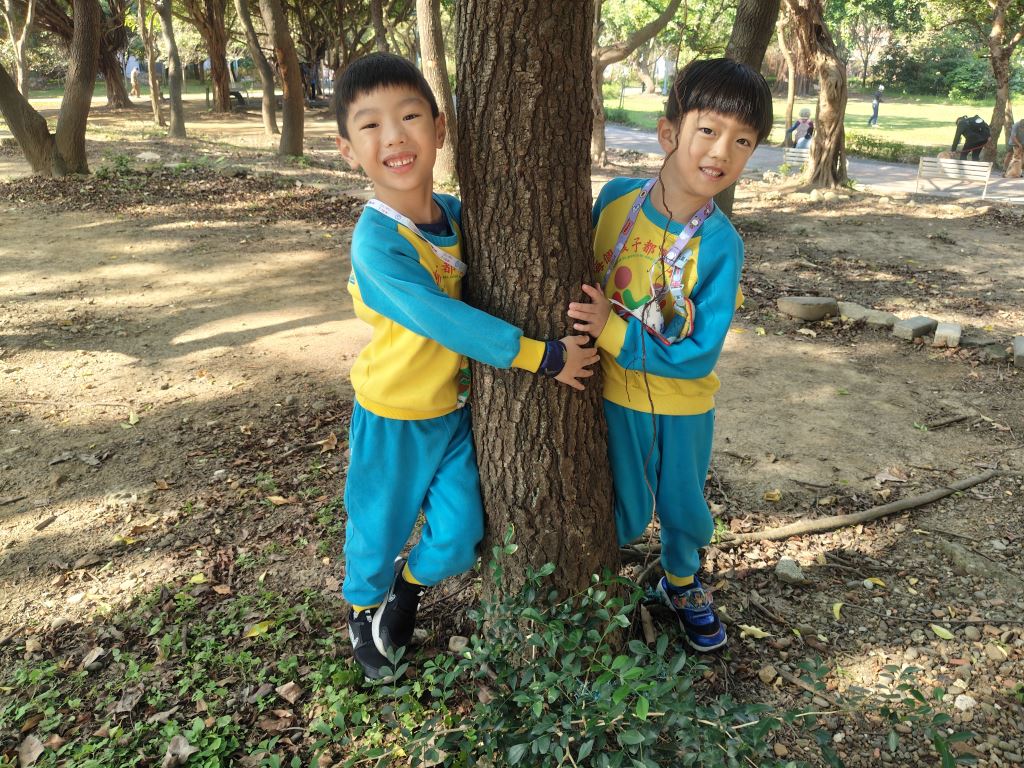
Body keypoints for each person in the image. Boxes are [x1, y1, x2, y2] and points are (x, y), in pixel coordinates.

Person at [334, 52, 598, 680]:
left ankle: (407, 589)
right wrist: (543, 355)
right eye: (370, 125)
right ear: (348, 150)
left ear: (440, 126)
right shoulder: (377, 242)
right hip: (393, 416)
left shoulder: (456, 215)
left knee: (459, 536)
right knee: (376, 529)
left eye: (410, 116)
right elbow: (444, 319)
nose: (394, 137)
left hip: (455, 415)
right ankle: (362, 608)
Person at [567, 58, 773, 653]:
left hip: (683, 407)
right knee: (626, 512)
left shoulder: (722, 244)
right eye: (708, 130)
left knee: (684, 507)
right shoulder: (615, 200)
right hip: (613, 397)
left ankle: (681, 582)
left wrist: (611, 332)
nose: (722, 152)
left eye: (743, 141)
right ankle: (594, 582)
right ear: (668, 132)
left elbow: (699, 354)